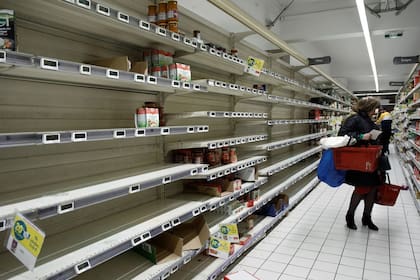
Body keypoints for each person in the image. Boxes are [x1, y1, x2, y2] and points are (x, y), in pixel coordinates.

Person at [337, 97, 382, 231]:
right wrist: (361, 136)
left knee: (373, 188)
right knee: (361, 188)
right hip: (359, 160)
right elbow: (342, 135)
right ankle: (350, 215)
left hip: (371, 159)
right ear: (368, 108)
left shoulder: (370, 121)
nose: (375, 111)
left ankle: (367, 217)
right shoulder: (354, 119)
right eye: (374, 108)